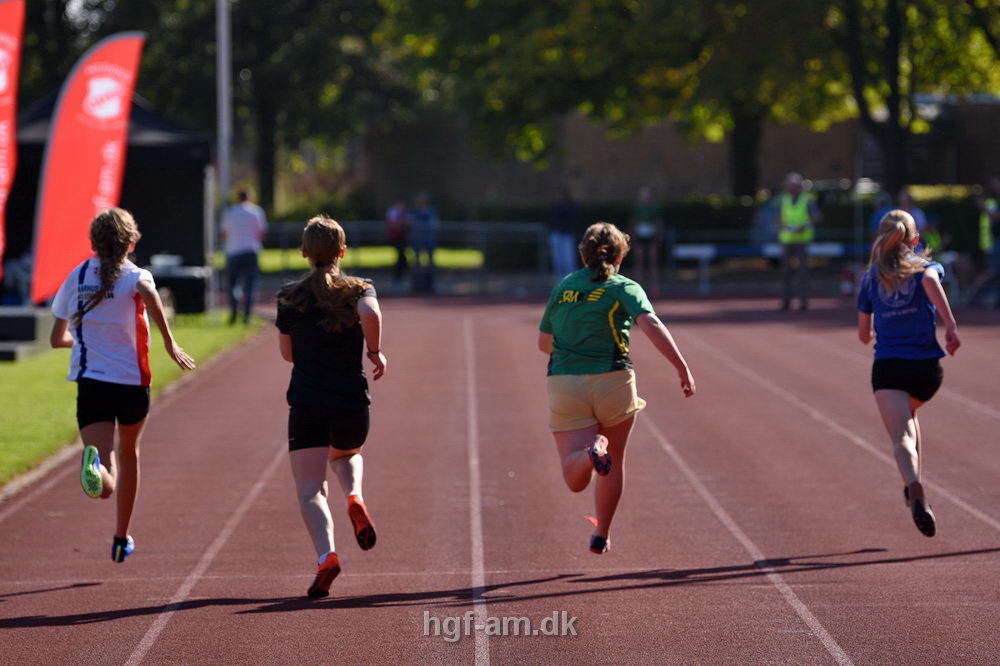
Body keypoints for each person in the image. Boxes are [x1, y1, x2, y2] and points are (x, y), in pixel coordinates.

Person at [538, 222, 695, 555]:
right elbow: (651, 323)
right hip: (614, 381)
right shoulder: (625, 287)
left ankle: (588, 452)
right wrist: (681, 367)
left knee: (575, 477)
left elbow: (543, 343)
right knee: (616, 463)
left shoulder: (563, 287)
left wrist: (574, 348)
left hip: (566, 382)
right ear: (621, 255)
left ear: (582, 255)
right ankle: (602, 534)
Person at [48, 208, 196, 563]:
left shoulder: (78, 275)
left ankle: (95, 467)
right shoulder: (136, 277)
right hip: (131, 384)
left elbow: (57, 339)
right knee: (130, 454)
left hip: (92, 383)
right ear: (132, 243)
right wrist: (169, 341)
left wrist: (84, 340)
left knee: (105, 475)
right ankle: (121, 536)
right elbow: (147, 289)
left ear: (93, 244)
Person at [276, 215, 385, 598]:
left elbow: (287, 354)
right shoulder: (359, 288)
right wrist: (374, 351)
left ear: (304, 252)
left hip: (307, 402)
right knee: (346, 455)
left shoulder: (289, 295)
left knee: (310, 490)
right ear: (342, 251)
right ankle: (354, 495)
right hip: (351, 401)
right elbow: (371, 314)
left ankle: (327, 556)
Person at [857, 209, 960, 538]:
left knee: (900, 434)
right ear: (915, 239)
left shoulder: (871, 277)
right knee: (911, 413)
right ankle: (914, 482)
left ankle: (914, 487)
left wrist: (874, 331)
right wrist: (951, 326)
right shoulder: (924, 267)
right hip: (926, 369)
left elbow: (862, 334)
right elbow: (930, 281)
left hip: (889, 366)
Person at [221, 188, 268, 324]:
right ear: (249, 197)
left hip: (233, 251)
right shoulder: (256, 211)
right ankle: (247, 315)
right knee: (250, 285)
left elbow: (224, 233)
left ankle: (234, 311)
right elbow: (262, 233)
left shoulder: (230, 212)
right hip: (251, 251)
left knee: (232, 285)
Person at [776, 172, 821, 311]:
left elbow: (816, 216)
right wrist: (785, 226)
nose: (792, 188)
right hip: (787, 240)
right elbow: (777, 219)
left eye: (795, 185)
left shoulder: (807, 200)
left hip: (802, 240)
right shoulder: (783, 200)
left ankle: (803, 301)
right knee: (786, 272)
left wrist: (804, 226)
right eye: (790, 185)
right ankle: (786, 300)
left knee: (802, 272)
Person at [968, 176, 1000, 307]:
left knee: (993, 271)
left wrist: (984, 207)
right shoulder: (993, 200)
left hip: (995, 242)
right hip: (994, 242)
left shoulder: (992, 201)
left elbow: (995, 216)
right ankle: (971, 292)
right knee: (992, 271)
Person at [628, 186, 665, 293]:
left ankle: (655, 286)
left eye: (647, 194)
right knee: (638, 262)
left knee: (653, 261)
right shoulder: (635, 208)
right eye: (643, 194)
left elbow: (659, 223)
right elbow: (632, 223)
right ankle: (637, 288)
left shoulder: (654, 207)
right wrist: (632, 238)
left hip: (652, 236)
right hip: (639, 237)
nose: (645, 196)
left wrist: (659, 236)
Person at [410, 192, 440, 293]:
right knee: (416, 262)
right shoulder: (414, 212)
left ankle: (432, 284)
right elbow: (409, 222)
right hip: (417, 241)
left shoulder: (430, 211)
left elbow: (435, 223)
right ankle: (417, 285)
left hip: (429, 240)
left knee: (431, 262)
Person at [549, 188, 578, 279]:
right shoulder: (556, 207)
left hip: (567, 236)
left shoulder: (571, 207)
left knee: (568, 261)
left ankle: (571, 280)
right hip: (557, 235)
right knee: (558, 261)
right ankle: (560, 281)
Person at [385, 196, 410, 286]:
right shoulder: (393, 212)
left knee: (402, 257)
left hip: (403, 238)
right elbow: (394, 224)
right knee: (401, 257)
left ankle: (399, 277)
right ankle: (397, 277)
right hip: (396, 238)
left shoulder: (405, 213)